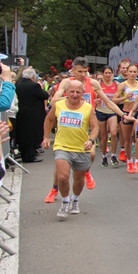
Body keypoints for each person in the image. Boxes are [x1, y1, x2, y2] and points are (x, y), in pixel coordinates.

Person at [48, 57, 133, 202]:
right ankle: (54, 189)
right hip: (68, 123)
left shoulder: (93, 84)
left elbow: (108, 102)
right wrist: (71, 98)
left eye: (85, 71)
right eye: (79, 71)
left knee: (92, 153)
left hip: (86, 125)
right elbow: (54, 100)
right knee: (61, 163)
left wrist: (123, 115)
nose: (82, 74)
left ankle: (86, 170)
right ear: (73, 70)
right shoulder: (67, 83)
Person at [42, 80, 100, 218]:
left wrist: (90, 140)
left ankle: (75, 200)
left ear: (83, 94)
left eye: (78, 92)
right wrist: (45, 137)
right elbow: (49, 120)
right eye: (71, 92)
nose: (74, 95)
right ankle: (65, 201)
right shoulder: (59, 105)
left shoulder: (87, 108)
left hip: (81, 148)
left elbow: (95, 127)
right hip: (62, 146)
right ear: (66, 92)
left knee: (78, 179)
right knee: (62, 177)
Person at [114, 64, 138, 174]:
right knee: (127, 140)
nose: (132, 74)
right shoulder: (123, 85)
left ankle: (137, 161)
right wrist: (125, 97)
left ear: (137, 73)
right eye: (130, 71)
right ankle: (129, 161)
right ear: (127, 73)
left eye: (134, 72)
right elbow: (114, 100)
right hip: (126, 113)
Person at [15, 68, 49, 163]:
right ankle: (30, 156)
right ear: (33, 76)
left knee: (22, 134)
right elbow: (45, 95)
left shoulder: (18, 84)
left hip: (21, 112)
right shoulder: (34, 86)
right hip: (33, 114)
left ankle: (24, 154)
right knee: (32, 134)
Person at [96, 66, 121, 167]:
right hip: (100, 110)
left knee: (114, 133)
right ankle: (104, 156)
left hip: (112, 111)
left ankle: (114, 155)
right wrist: (95, 101)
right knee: (104, 136)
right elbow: (92, 96)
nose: (108, 75)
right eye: (106, 73)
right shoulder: (98, 84)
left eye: (109, 73)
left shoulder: (117, 84)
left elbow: (119, 98)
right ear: (102, 74)